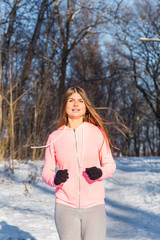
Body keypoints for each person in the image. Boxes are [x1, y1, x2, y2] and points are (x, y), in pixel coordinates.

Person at [42, 86, 116, 240]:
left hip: (94, 206)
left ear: (85, 107)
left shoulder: (97, 133)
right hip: (65, 206)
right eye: (71, 100)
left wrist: (100, 172)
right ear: (65, 106)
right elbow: (46, 171)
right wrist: (54, 179)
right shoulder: (54, 137)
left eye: (80, 101)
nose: (76, 104)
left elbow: (110, 165)